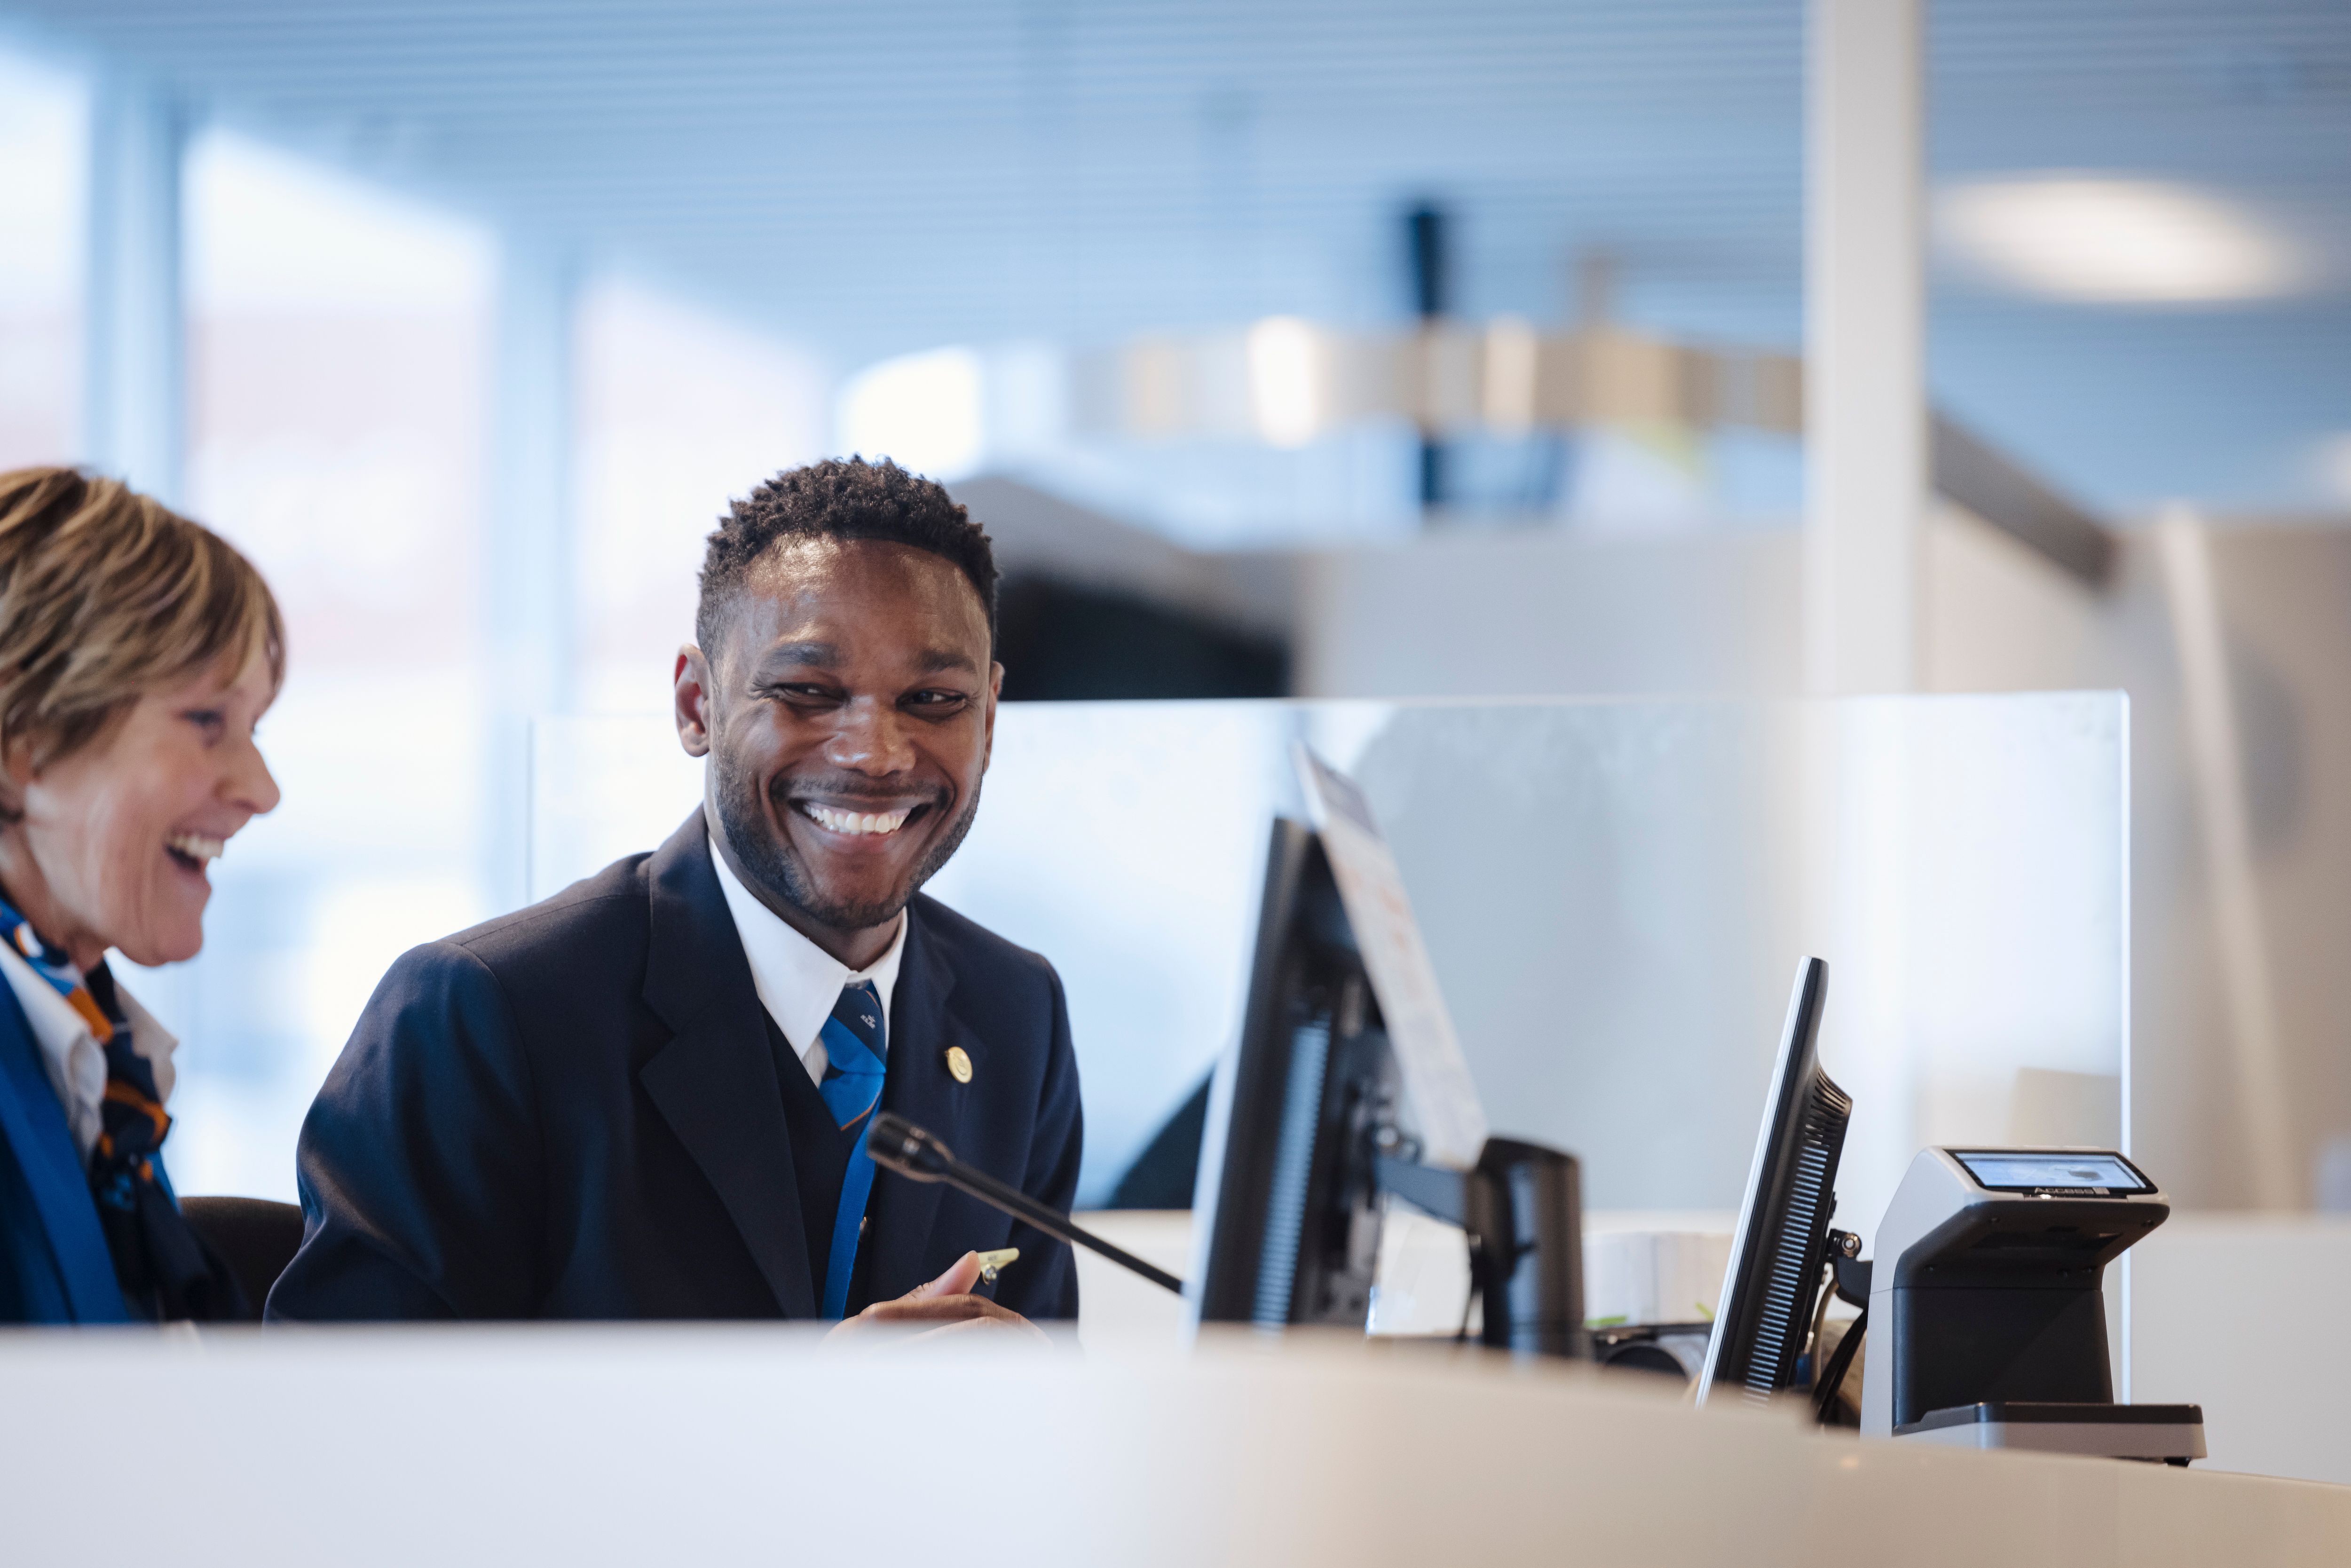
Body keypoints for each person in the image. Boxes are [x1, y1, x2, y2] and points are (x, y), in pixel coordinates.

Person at [269, 459, 1081, 1333]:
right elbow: (344, 1414)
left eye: (935, 699)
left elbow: (1037, 1377)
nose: (875, 753)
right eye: (808, 693)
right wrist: (803, 1407)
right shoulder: (482, 1013)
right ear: (697, 706)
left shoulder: (1014, 1012)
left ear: (988, 720)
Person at [0, 466, 284, 1324]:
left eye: (253, 728)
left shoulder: (92, 1052)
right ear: (22, 743)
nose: (262, 789)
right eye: (206, 722)